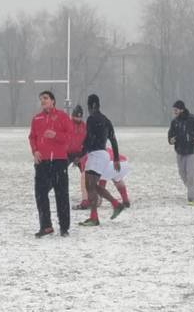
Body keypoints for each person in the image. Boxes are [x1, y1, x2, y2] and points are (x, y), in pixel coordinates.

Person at [28, 90, 73, 238]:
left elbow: (70, 137)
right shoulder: (37, 118)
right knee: (40, 194)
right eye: (41, 99)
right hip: (43, 162)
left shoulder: (62, 117)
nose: (43, 101)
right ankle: (46, 226)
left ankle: (64, 227)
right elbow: (32, 137)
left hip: (59, 161)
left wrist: (56, 135)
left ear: (53, 101)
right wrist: (35, 151)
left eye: (46, 98)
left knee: (61, 195)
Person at [78, 94, 125, 227]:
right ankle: (116, 204)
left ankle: (94, 217)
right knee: (92, 186)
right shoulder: (106, 119)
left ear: (91, 105)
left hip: (96, 154)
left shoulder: (92, 119)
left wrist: (81, 154)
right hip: (103, 154)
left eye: (88, 106)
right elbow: (113, 139)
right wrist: (115, 158)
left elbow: (89, 138)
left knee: (90, 186)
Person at [168, 100, 194, 205]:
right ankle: (193, 187)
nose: (174, 112)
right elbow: (170, 134)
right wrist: (170, 140)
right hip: (180, 152)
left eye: (176, 110)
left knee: (191, 175)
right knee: (182, 174)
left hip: (192, 152)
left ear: (182, 109)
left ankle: (191, 198)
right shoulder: (174, 122)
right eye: (173, 110)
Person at [67, 105, 89, 210]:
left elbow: (87, 142)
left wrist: (80, 156)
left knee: (86, 175)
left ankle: (87, 195)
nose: (78, 119)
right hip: (67, 153)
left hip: (80, 154)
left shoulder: (84, 126)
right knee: (58, 173)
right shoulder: (67, 124)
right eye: (76, 117)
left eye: (80, 117)